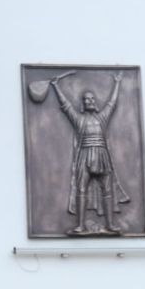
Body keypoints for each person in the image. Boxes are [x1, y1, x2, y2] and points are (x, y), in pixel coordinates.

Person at [51, 71, 129, 236]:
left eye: (93, 99)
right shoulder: (78, 119)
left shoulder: (102, 118)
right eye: (87, 99)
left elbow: (112, 103)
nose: (91, 101)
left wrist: (117, 82)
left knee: (107, 191)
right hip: (84, 158)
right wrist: (56, 86)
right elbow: (66, 106)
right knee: (81, 189)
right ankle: (80, 226)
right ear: (83, 104)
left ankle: (110, 225)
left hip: (102, 157)